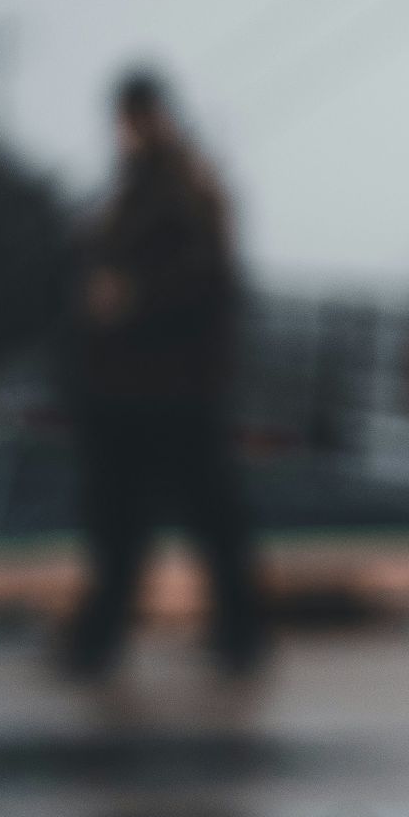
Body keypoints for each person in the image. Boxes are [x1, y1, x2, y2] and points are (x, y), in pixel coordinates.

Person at [62, 69, 265, 678]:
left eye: (134, 118)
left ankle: (231, 633)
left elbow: (209, 279)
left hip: (173, 385)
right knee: (127, 518)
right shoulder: (134, 190)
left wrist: (130, 296)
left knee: (191, 516)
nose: (127, 132)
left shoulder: (184, 188)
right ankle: (104, 635)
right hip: (133, 386)